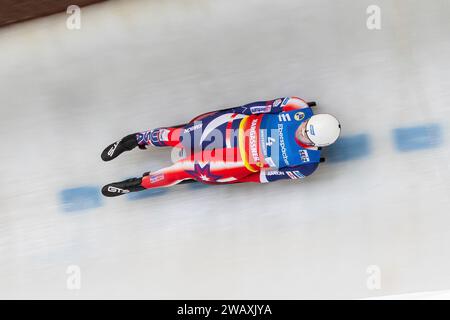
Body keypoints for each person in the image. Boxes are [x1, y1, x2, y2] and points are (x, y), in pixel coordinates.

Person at [100, 97, 341, 197]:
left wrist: (238, 178)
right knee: (183, 135)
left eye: (307, 137)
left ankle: (136, 185)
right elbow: (255, 108)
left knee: (186, 168)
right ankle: (134, 140)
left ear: (316, 145)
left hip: (238, 162)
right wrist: (226, 115)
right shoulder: (295, 106)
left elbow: (266, 176)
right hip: (236, 128)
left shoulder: (306, 165)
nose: (302, 132)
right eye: (306, 126)